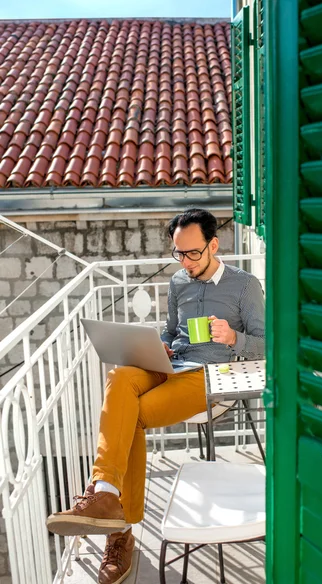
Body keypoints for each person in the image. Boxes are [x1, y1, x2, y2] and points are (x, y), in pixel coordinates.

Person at [46, 208, 265, 584]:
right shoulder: (179, 280)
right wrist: (159, 347)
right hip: (172, 364)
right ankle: (106, 491)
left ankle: (119, 531)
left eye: (193, 253)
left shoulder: (245, 285)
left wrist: (234, 338)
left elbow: (268, 344)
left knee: (134, 414)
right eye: (178, 253)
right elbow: (170, 330)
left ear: (214, 245)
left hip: (210, 374)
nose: (185, 261)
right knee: (120, 376)